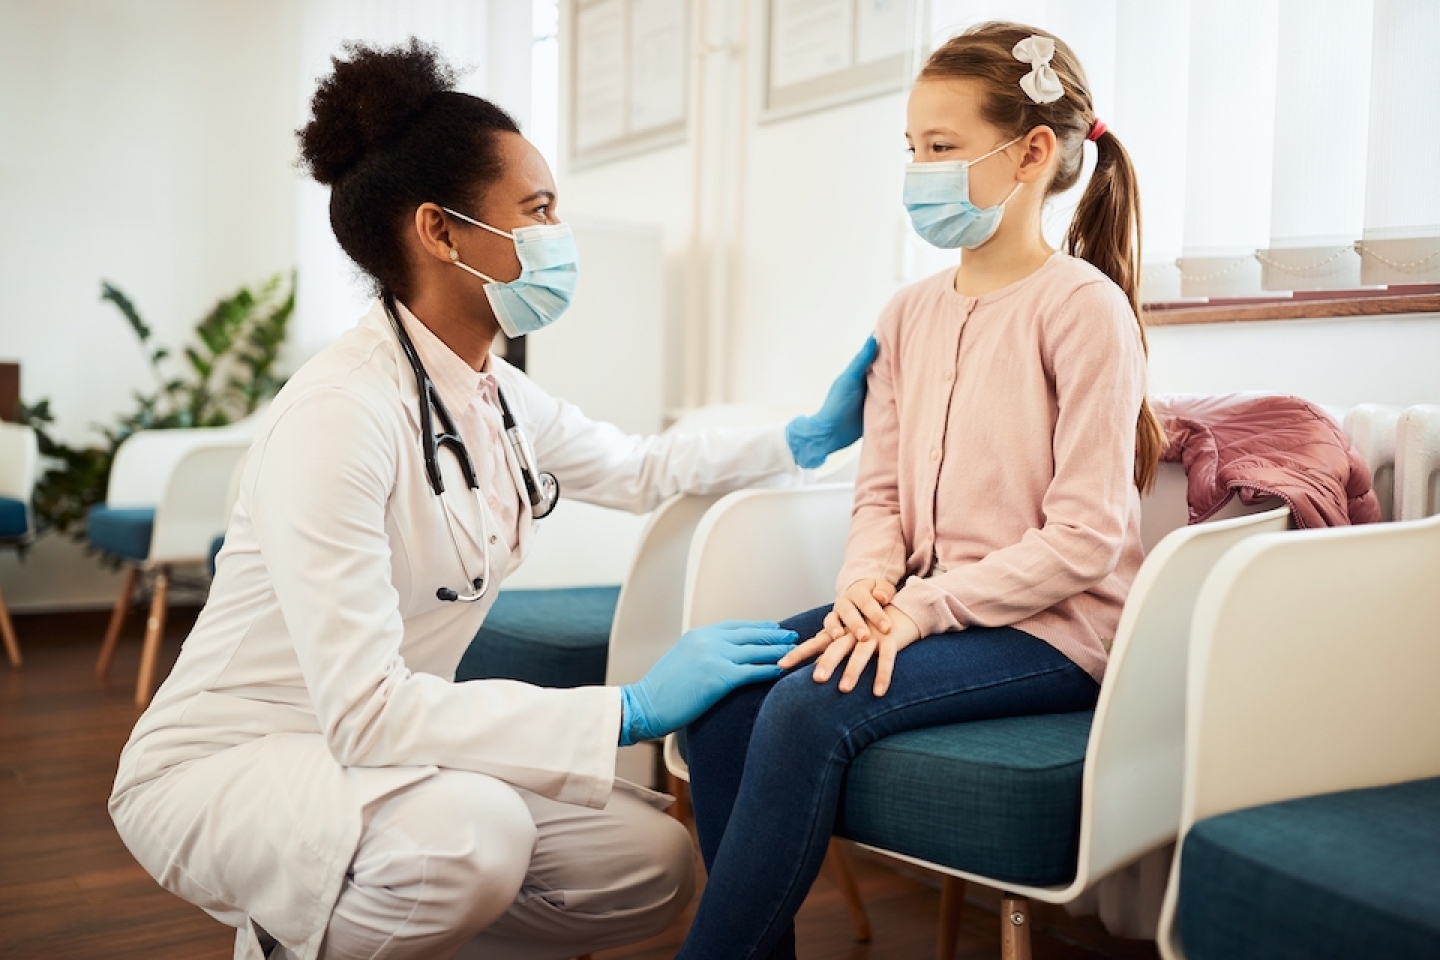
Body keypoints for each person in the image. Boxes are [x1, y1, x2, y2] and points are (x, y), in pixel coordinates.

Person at [108, 40, 873, 960]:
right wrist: (626, 710)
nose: (560, 234)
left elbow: (637, 467)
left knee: (651, 863)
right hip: (233, 762)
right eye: (538, 208)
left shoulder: (488, 388)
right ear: (441, 231)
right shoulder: (337, 417)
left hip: (385, 756)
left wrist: (802, 439)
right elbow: (363, 712)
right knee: (472, 840)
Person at [679, 22, 1166, 959]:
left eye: (942, 149)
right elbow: (880, 497)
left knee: (809, 703)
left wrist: (923, 607)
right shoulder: (905, 314)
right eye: (913, 149)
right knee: (722, 694)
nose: (920, 170)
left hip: (1055, 628)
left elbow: (1089, 537)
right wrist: (870, 583)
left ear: (1030, 153)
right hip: (928, 608)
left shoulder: (1082, 308)